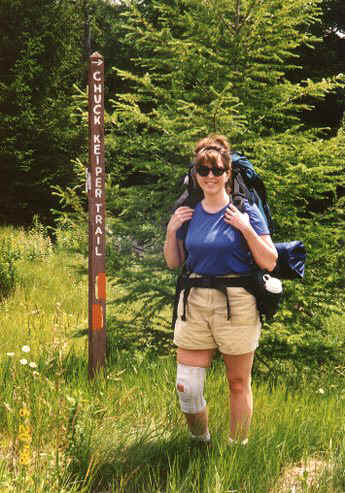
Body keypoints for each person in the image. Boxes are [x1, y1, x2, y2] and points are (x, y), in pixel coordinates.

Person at [164, 134, 278, 445]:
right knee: (186, 386)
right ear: (195, 174)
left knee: (238, 382)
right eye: (203, 170)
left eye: (217, 170)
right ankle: (200, 441)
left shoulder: (247, 210)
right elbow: (174, 262)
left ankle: (236, 450)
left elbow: (269, 261)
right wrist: (172, 230)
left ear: (228, 173)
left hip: (238, 303)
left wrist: (245, 227)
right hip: (194, 302)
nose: (210, 176)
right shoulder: (187, 211)